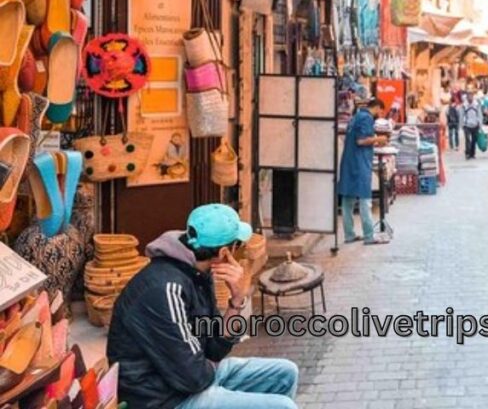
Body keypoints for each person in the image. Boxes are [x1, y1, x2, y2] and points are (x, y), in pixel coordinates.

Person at [108, 204, 299, 409]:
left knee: (285, 373)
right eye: (238, 247)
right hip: (162, 399)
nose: (238, 253)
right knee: (282, 406)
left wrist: (237, 300)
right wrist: (215, 376)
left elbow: (214, 348)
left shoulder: (198, 274)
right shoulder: (165, 289)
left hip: (188, 381)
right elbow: (194, 378)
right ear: (225, 252)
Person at [338, 98, 389, 245]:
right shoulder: (367, 118)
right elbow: (361, 140)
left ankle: (349, 235)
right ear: (377, 107)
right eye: (381, 111)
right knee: (365, 199)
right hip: (359, 163)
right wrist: (378, 139)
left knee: (348, 200)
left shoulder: (356, 116)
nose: (380, 114)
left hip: (349, 162)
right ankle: (369, 235)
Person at [462, 93, 483, 160]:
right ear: (467, 98)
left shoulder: (476, 105)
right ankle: (467, 153)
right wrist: (462, 124)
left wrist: (480, 124)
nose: (470, 98)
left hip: (475, 124)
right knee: (467, 140)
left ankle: (472, 153)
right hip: (467, 125)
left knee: (474, 140)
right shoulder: (464, 105)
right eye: (469, 97)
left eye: (471, 97)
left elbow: (479, 114)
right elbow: (462, 115)